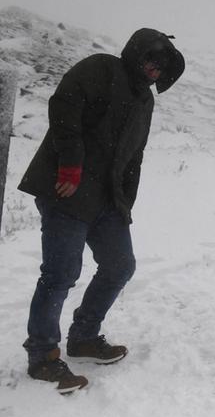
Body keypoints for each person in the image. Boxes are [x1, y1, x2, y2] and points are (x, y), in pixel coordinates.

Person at [17, 28, 185, 393]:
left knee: (120, 265)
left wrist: (125, 201)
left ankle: (83, 337)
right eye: (151, 60)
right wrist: (71, 163)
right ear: (137, 53)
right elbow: (64, 104)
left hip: (105, 198)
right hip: (67, 188)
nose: (155, 70)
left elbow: (133, 156)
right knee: (61, 273)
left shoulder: (145, 101)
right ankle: (42, 355)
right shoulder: (102, 69)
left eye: (162, 66)